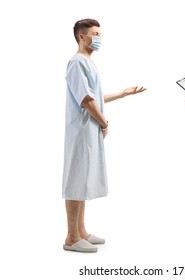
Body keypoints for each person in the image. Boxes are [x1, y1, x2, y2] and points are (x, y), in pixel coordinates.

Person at [62, 18, 146, 253]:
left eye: (100, 33)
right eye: (95, 33)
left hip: (88, 131)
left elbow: (94, 97)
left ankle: (81, 231)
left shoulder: (88, 63)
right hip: (80, 131)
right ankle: (71, 237)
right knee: (76, 181)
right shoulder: (76, 63)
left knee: (83, 180)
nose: (98, 38)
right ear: (82, 36)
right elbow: (86, 100)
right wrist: (104, 122)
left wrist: (123, 94)